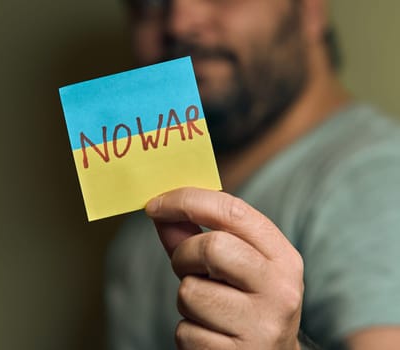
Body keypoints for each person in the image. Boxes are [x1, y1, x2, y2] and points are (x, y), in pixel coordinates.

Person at [107, 0, 400, 349]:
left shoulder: (375, 180)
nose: (179, 23)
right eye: (149, 4)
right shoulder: (150, 195)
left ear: (310, 10)